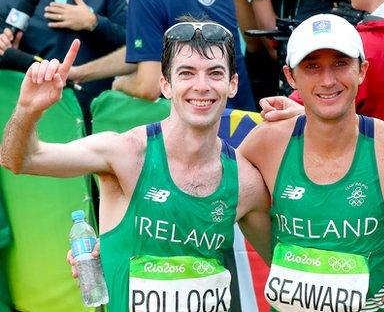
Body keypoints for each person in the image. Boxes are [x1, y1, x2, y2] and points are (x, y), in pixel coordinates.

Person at [0, 20, 271, 312]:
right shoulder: (126, 153)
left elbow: (286, 265)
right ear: (165, 84)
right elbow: (20, 159)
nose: (201, 86)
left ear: (232, 84)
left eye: (215, 73)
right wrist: (28, 109)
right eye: (187, 73)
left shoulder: (245, 181)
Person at [238, 13, 384, 311]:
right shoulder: (263, 145)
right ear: (291, 77)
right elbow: (221, 201)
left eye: (341, 63)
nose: (328, 80)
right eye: (312, 67)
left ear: (362, 70)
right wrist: (309, 275)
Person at [69, 0, 256, 112]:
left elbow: (148, 86)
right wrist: (81, 73)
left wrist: (120, 84)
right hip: (242, 120)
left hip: (202, 127)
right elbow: (147, 51)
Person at [0, 0, 127, 126]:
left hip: (101, 116)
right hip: (46, 120)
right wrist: (8, 53)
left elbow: (136, 45)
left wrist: (95, 22)